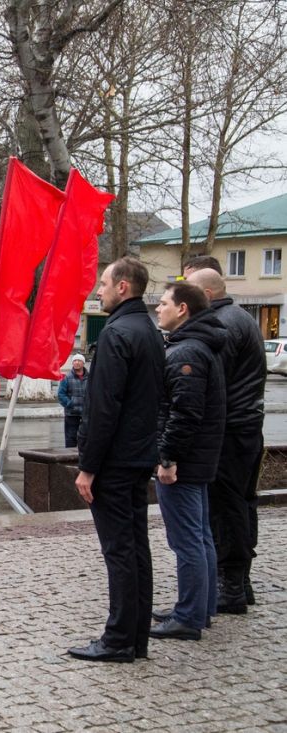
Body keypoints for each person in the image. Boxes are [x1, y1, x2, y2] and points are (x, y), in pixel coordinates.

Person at [69, 257, 165, 663]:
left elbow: (103, 406)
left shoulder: (117, 333)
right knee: (135, 547)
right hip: (139, 455)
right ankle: (135, 635)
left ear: (123, 287)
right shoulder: (149, 330)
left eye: (104, 284)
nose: (99, 290)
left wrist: (88, 466)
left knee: (120, 550)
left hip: (115, 461)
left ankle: (120, 638)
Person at [148, 281, 226, 641]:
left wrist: (168, 458)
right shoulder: (198, 347)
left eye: (163, 303)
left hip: (185, 462)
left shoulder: (186, 353)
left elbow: (184, 413)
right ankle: (201, 607)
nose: (158, 309)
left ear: (182, 309)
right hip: (200, 458)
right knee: (200, 535)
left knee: (187, 540)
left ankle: (189, 615)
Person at [186, 267, 266, 611]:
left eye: (187, 292)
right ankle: (239, 581)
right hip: (244, 426)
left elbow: (210, 384)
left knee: (226, 506)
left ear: (206, 295)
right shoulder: (238, 318)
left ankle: (231, 584)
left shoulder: (223, 325)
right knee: (241, 503)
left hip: (230, 430)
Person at [57, 354, 89, 448]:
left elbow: (94, 392)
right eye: (75, 361)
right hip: (71, 413)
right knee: (71, 438)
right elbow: (61, 394)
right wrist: (69, 403)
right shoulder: (66, 377)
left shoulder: (90, 378)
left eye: (79, 360)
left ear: (83, 363)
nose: (77, 362)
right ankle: (69, 458)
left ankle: (83, 458)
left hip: (86, 413)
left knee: (86, 437)